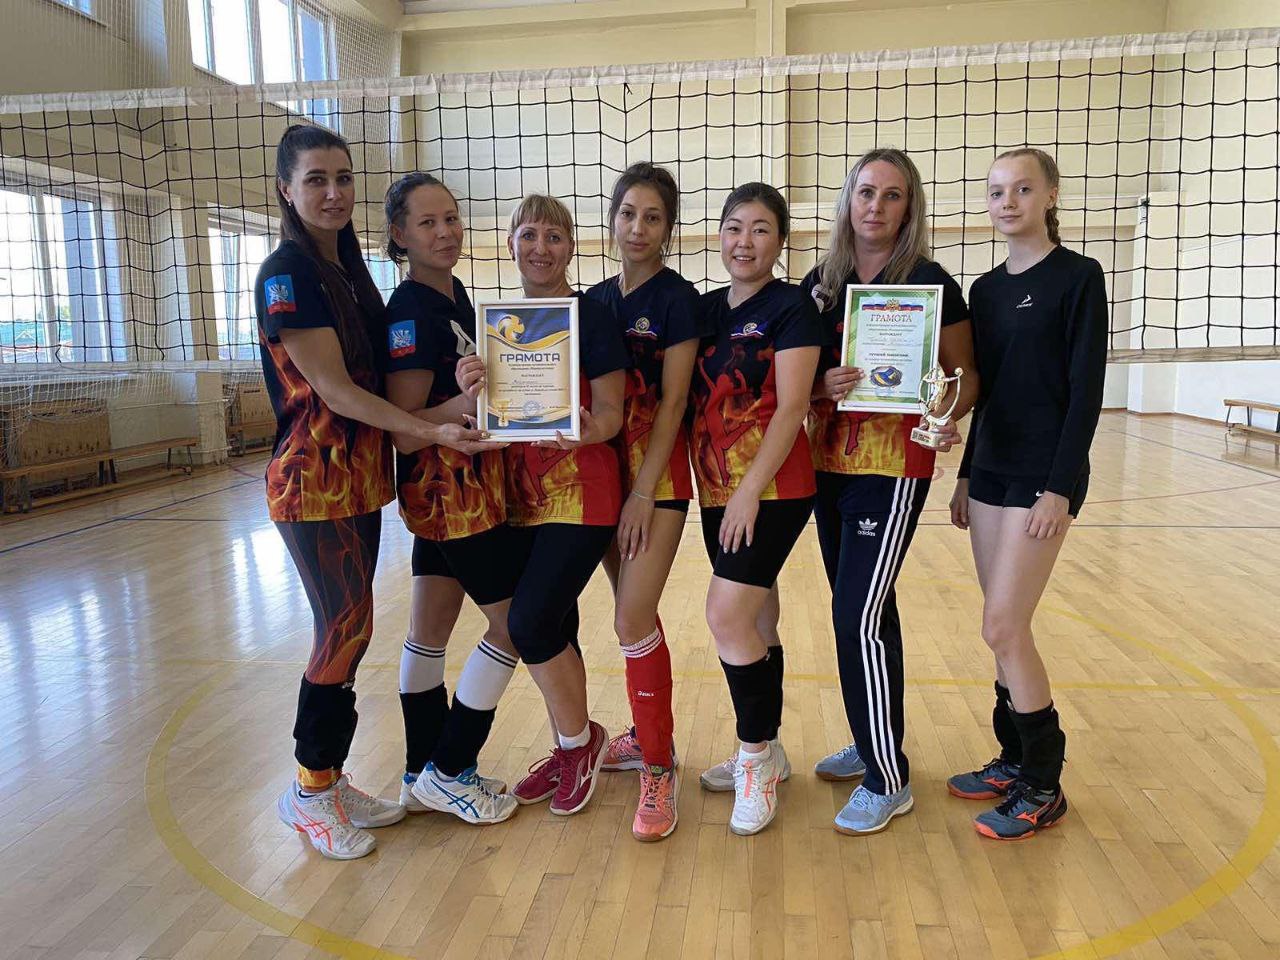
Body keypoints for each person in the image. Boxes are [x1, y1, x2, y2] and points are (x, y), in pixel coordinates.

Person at [260, 125, 487, 860]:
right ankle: (308, 790)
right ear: (286, 189)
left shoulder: (347, 269)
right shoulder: (286, 273)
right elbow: (335, 390)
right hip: (311, 481)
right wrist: (429, 428)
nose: (333, 192)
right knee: (343, 627)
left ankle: (328, 779)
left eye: (343, 178)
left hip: (356, 482)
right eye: (316, 179)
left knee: (353, 629)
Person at [801, 148, 978, 834]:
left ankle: (887, 777)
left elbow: (964, 376)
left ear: (910, 208)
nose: (876, 205)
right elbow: (800, 377)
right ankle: (873, 736)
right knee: (873, 615)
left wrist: (944, 413)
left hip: (893, 469)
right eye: (866, 192)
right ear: (849, 201)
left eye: (892, 195)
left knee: (857, 618)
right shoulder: (822, 284)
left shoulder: (931, 282)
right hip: (827, 467)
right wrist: (820, 386)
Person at [947, 147, 1107, 840]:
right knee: (1001, 624)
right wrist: (963, 474)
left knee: (1003, 626)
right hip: (989, 472)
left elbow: (1086, 393)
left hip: (1042, 477)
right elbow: (983, 393)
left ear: (1050, 195)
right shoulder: (983, 291)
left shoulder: (1079, 277)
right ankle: (1013, 759)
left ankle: (1044, 783)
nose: (1007, 202)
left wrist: (1059, 489)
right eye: (995, 192)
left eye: (1021, 189)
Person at [379, 172, 521, 825]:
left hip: (463, 490)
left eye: (452, 218)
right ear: (400, 234)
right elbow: (407, 431)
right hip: (447, 495)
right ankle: (450, 768)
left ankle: (418, 773)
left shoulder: (456, 297)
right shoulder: (410, 312)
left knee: (429, 632)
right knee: (514, 626)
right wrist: (464, 403)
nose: (445, 232)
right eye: (428, 222)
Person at [691, 182, 821, 836]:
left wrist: (748, 490)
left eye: (761, 229)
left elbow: (793, 407)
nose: (745, 241)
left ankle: (754, 758)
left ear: (780, 240)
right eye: (735, 227)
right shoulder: (705, 309)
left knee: (726, 614)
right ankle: (771, 748)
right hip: (716, 487)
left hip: (772, 489)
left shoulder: (792, 307)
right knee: (759, 615)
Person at [499, 194, 630, 817]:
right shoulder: (500, 325)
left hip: (583, 493)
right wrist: (474, 386)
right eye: (529, 235)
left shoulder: (593, 317)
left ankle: (581, 745)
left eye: (554, 237)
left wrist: (585, 430)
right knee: (556, 627)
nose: (541, 248)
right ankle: (567, 745)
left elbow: (612, 414)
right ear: (511, 245)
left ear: (572, 247)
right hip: (521, 497)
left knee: (528, 623)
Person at [587, 162, 701, 842]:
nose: (638, 227)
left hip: (654, 483)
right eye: (628, 213)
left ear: (668, 227)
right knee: (633, 613)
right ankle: (646, 733)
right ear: (613, 219)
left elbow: (675, 403)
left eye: (652, 217)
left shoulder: (679, 299)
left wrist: (639, 493)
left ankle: (658, 766)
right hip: (601, 478)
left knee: (631, 616)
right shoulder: (595, 300)